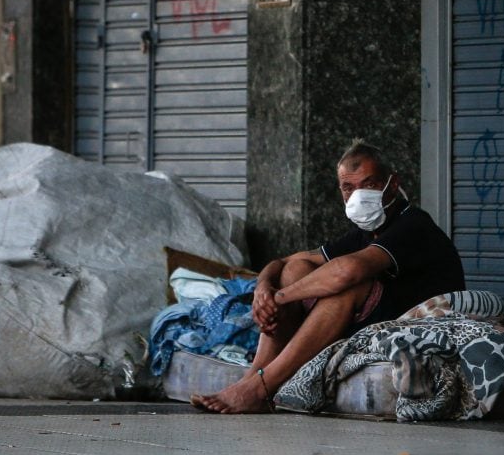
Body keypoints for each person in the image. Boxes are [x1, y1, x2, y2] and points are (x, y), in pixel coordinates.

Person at [191, 139, 465, 413]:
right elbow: (287, 261)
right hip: (378, 315)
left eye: (368, 185)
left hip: (416, 320)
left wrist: (281, 296)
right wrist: (263, 288)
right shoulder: (366, 233)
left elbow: (348, 271)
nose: (358, 195)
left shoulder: (413, 224)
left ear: (392, 185)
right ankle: (253, 377)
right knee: (294, 271)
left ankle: (261, 388)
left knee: (346, 286)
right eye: (349, 187)